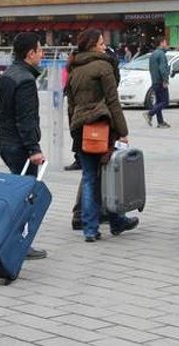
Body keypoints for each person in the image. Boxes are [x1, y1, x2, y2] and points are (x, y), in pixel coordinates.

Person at [66, 28, 139, 242]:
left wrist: (74, 130)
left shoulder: (74, 68)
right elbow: (112, 101)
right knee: (109, 176)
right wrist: (123, 131)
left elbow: (71, 105)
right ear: (92, 45)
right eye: (100, 43)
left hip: (80, 128)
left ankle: (90, 229)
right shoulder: (103, 65)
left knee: (89, 177)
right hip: (101, 127)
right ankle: (117, 221)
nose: (104, 46)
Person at [0, 32, 47, 260]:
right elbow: (25, 118)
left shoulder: (8, 74)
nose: (43, 53)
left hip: (5, 140)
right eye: (40, 49)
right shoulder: (24, 80)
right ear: (30, 54)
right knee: (26, 195)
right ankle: (19, 241)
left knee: (19, 191)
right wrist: (33, 149)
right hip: (19, 146)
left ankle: (12, 237)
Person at [143, 36, 171, 128]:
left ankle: (160, 122)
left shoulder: (153, 54)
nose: (166, 45)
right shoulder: (161, 54)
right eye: (165, 43)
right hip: (160, 81)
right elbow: (162, 69)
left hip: (154, 81)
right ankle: (149, 114)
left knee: (158, 101)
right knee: (165, 101)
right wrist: (165, 80)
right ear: (162, 43)